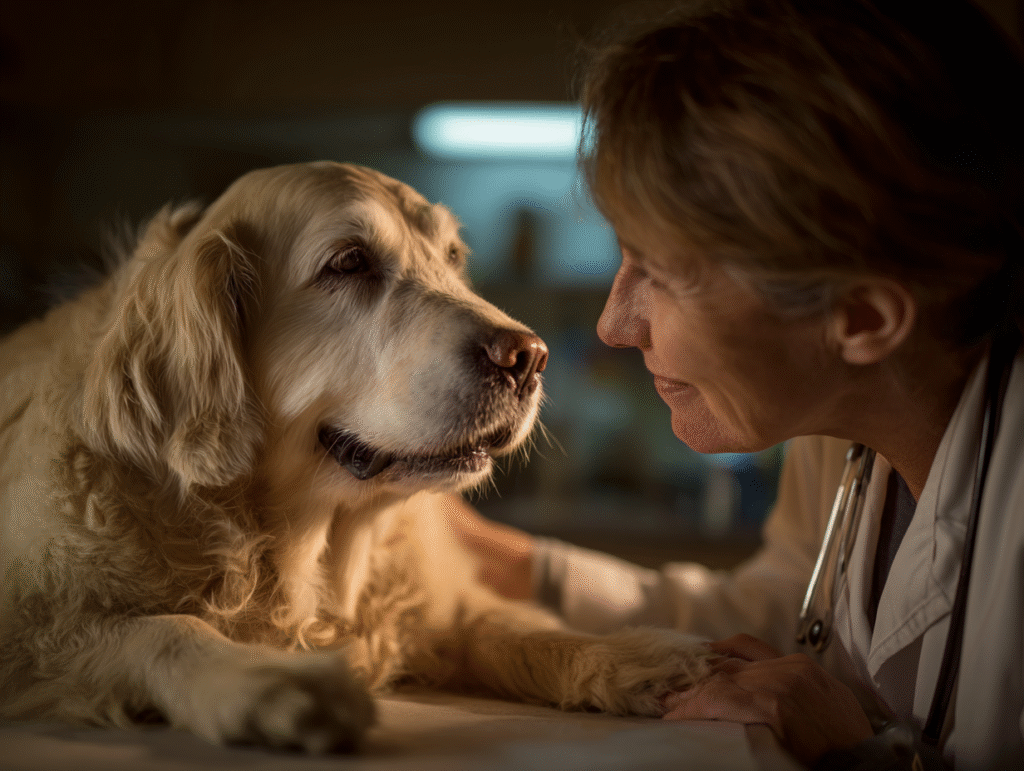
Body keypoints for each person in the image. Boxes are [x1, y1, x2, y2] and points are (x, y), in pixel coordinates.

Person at [447, 1, 1024, 768]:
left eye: (656, 273)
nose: (616, 325)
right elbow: (786, 605)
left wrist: (862, 759)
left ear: (861, 316)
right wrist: (514, 564)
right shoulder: (847, 425)